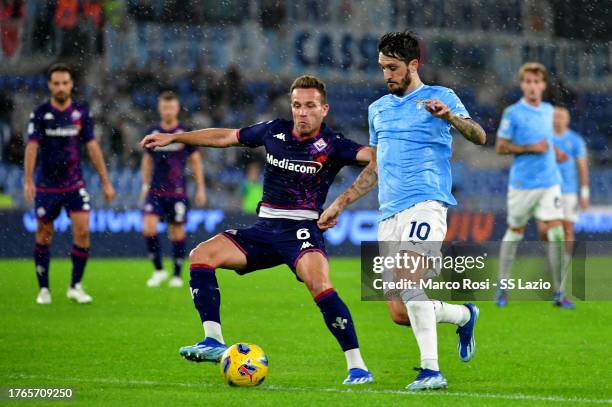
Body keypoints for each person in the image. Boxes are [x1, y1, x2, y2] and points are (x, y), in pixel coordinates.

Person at [141, 75, 375, 385]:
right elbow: (226, 136)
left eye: (309, 106)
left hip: (301, 230)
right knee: (201, 256)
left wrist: (341, 202)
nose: (302, 112)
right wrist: (177, 137)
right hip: (264, 229)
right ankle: (213, 340)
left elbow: (376, 159)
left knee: (319, 285)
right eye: (296, 105)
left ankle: (357, 367)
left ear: (324, 109)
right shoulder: (274, 130)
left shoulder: (334, 145)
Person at [319, 31, 486, 390]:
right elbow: (375, 168)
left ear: (414, 65)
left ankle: (431, 371)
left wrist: (451, 118)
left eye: (393, 68)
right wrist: (340, 201)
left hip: (426, 204)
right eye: (382, 68)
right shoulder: (377, 109)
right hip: (388, 214)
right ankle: (463, 313)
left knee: (411, 285)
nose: (387, 75)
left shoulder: (441, 97)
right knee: (399, 312)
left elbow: (479, 136)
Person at [23, 63, 115, 304]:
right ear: (50, 85)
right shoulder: (41, 114)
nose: (61, 87)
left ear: (71, 85)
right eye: (56, 83)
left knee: (83, 232)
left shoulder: (81, 113)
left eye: (65, 83)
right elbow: (32, 147)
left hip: (74, 184)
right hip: (46, 186)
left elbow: (92, 147)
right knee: (44, 234)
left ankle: (75, 286)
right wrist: (27, 180)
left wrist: (106, 181)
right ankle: (43, 289)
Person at [495, 63, 568, 308]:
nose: (533, 86)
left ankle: (559, 290)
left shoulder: (550, 110)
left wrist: (555, 151)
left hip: (550, 181)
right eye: (528, 81)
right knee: (515, 232)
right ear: (522, 85)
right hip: (522, 184)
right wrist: (529, 148)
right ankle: (502, 286)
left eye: (537, 82)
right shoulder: (513, 113)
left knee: (556, 232)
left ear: (544, 85)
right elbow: (501, 146)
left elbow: (546, 141)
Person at [141, 91, 206, 288]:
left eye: (171, 107)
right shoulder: (153, 132)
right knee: (148, 228)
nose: (168, 110)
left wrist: (200, 188)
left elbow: (195, 161)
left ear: (177, 108)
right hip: (155, 191)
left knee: (177, 232)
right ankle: (159, 270)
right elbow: (146, 160)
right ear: (160, 109)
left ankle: (177, 274)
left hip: (177, 191)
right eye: (164, 107)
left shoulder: (183, 133)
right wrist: (144, 186)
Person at [536, 106, 589, 308]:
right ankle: (551, 257)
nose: (558, 120)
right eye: (555, 117)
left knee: (567, 229)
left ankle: (562, 267)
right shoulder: (545, 139)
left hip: (568, 191)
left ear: (567, 120)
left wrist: (584, 192)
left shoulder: (575, 140)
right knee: (543, 230)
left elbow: (582, 166)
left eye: (562, 117)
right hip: (547, 188)